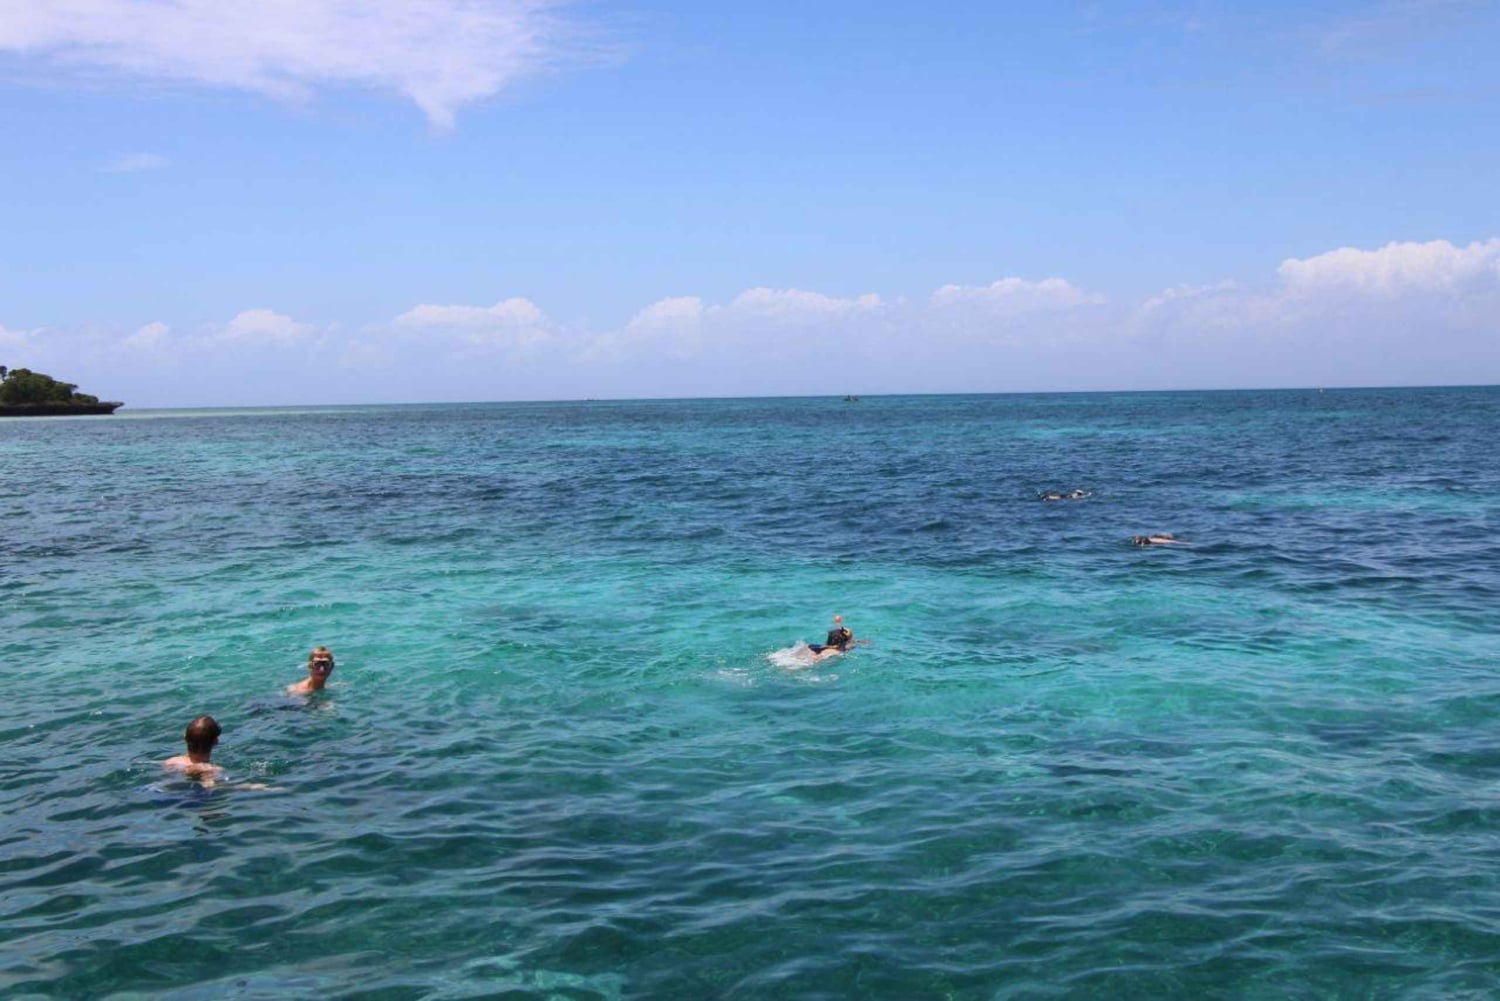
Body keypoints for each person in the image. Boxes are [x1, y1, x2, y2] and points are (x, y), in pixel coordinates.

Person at [163, 715, 224, 786]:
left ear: (185, 737)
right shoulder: (211, 770)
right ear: (216, 741)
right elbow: (210, 787)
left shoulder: (170, 762)